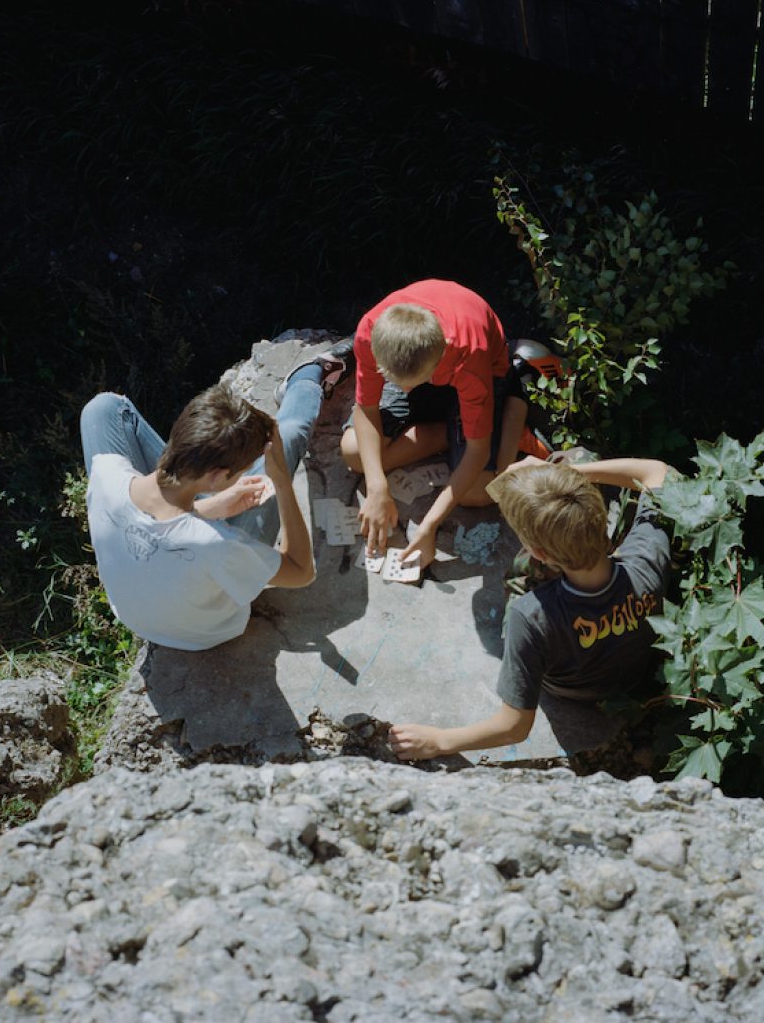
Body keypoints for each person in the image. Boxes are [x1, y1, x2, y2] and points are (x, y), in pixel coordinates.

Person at [387, 455, 672, 760]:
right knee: (574, 454)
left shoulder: (531, 615)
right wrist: (562, 472)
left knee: (519, 572)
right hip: (632, 673)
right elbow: (659, 471)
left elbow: (515, 726)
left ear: (539, 553)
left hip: (572, 691)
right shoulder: (647, 557)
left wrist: (439, 741)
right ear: (601, 517)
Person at [78, 339, 352, 651]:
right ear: (218, 477)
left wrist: (209, 506)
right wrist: (282, 484)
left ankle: (190, 499)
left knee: (102, 408)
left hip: (139, 613)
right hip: (204, 633)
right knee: (286, 437)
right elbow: (302, 572)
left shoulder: (105, 474)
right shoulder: (218, 544)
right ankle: (309, 375)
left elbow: (159, 534)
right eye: (242, 469)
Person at [339, 279, 537, 570]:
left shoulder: (469, 357)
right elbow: (366, 409)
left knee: (481, 492)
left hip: (482, 369)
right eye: (394, 383)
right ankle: (451, 432)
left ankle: (515, 393)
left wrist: (428, 526)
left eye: (410, 386)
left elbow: (477, 451)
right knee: (355, 452)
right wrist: (377, 485)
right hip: (418, 363)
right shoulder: (371, 334)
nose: (403, 392)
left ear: (440, 362)